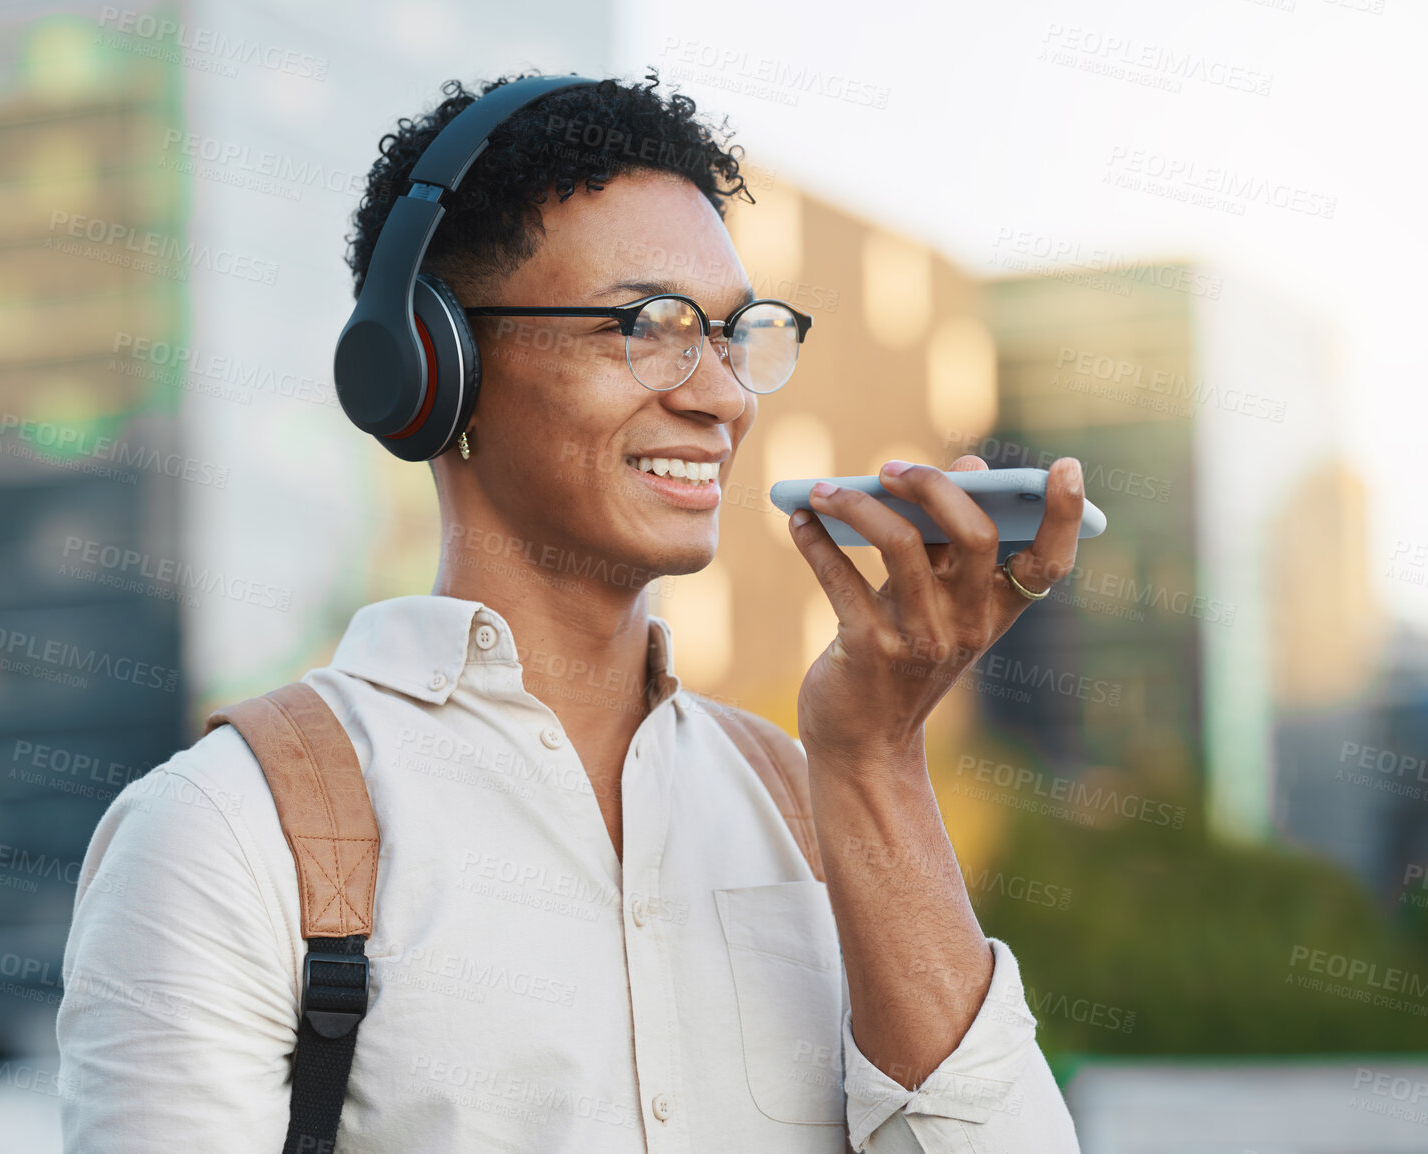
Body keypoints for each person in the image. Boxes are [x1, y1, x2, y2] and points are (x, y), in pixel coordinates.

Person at [56, 73, 1084, 1152]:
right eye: (651, 325)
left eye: (737, 334)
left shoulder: (807, 802)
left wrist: (878, 760)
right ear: (432, 365)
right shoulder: (226, 830)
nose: (723, 394)